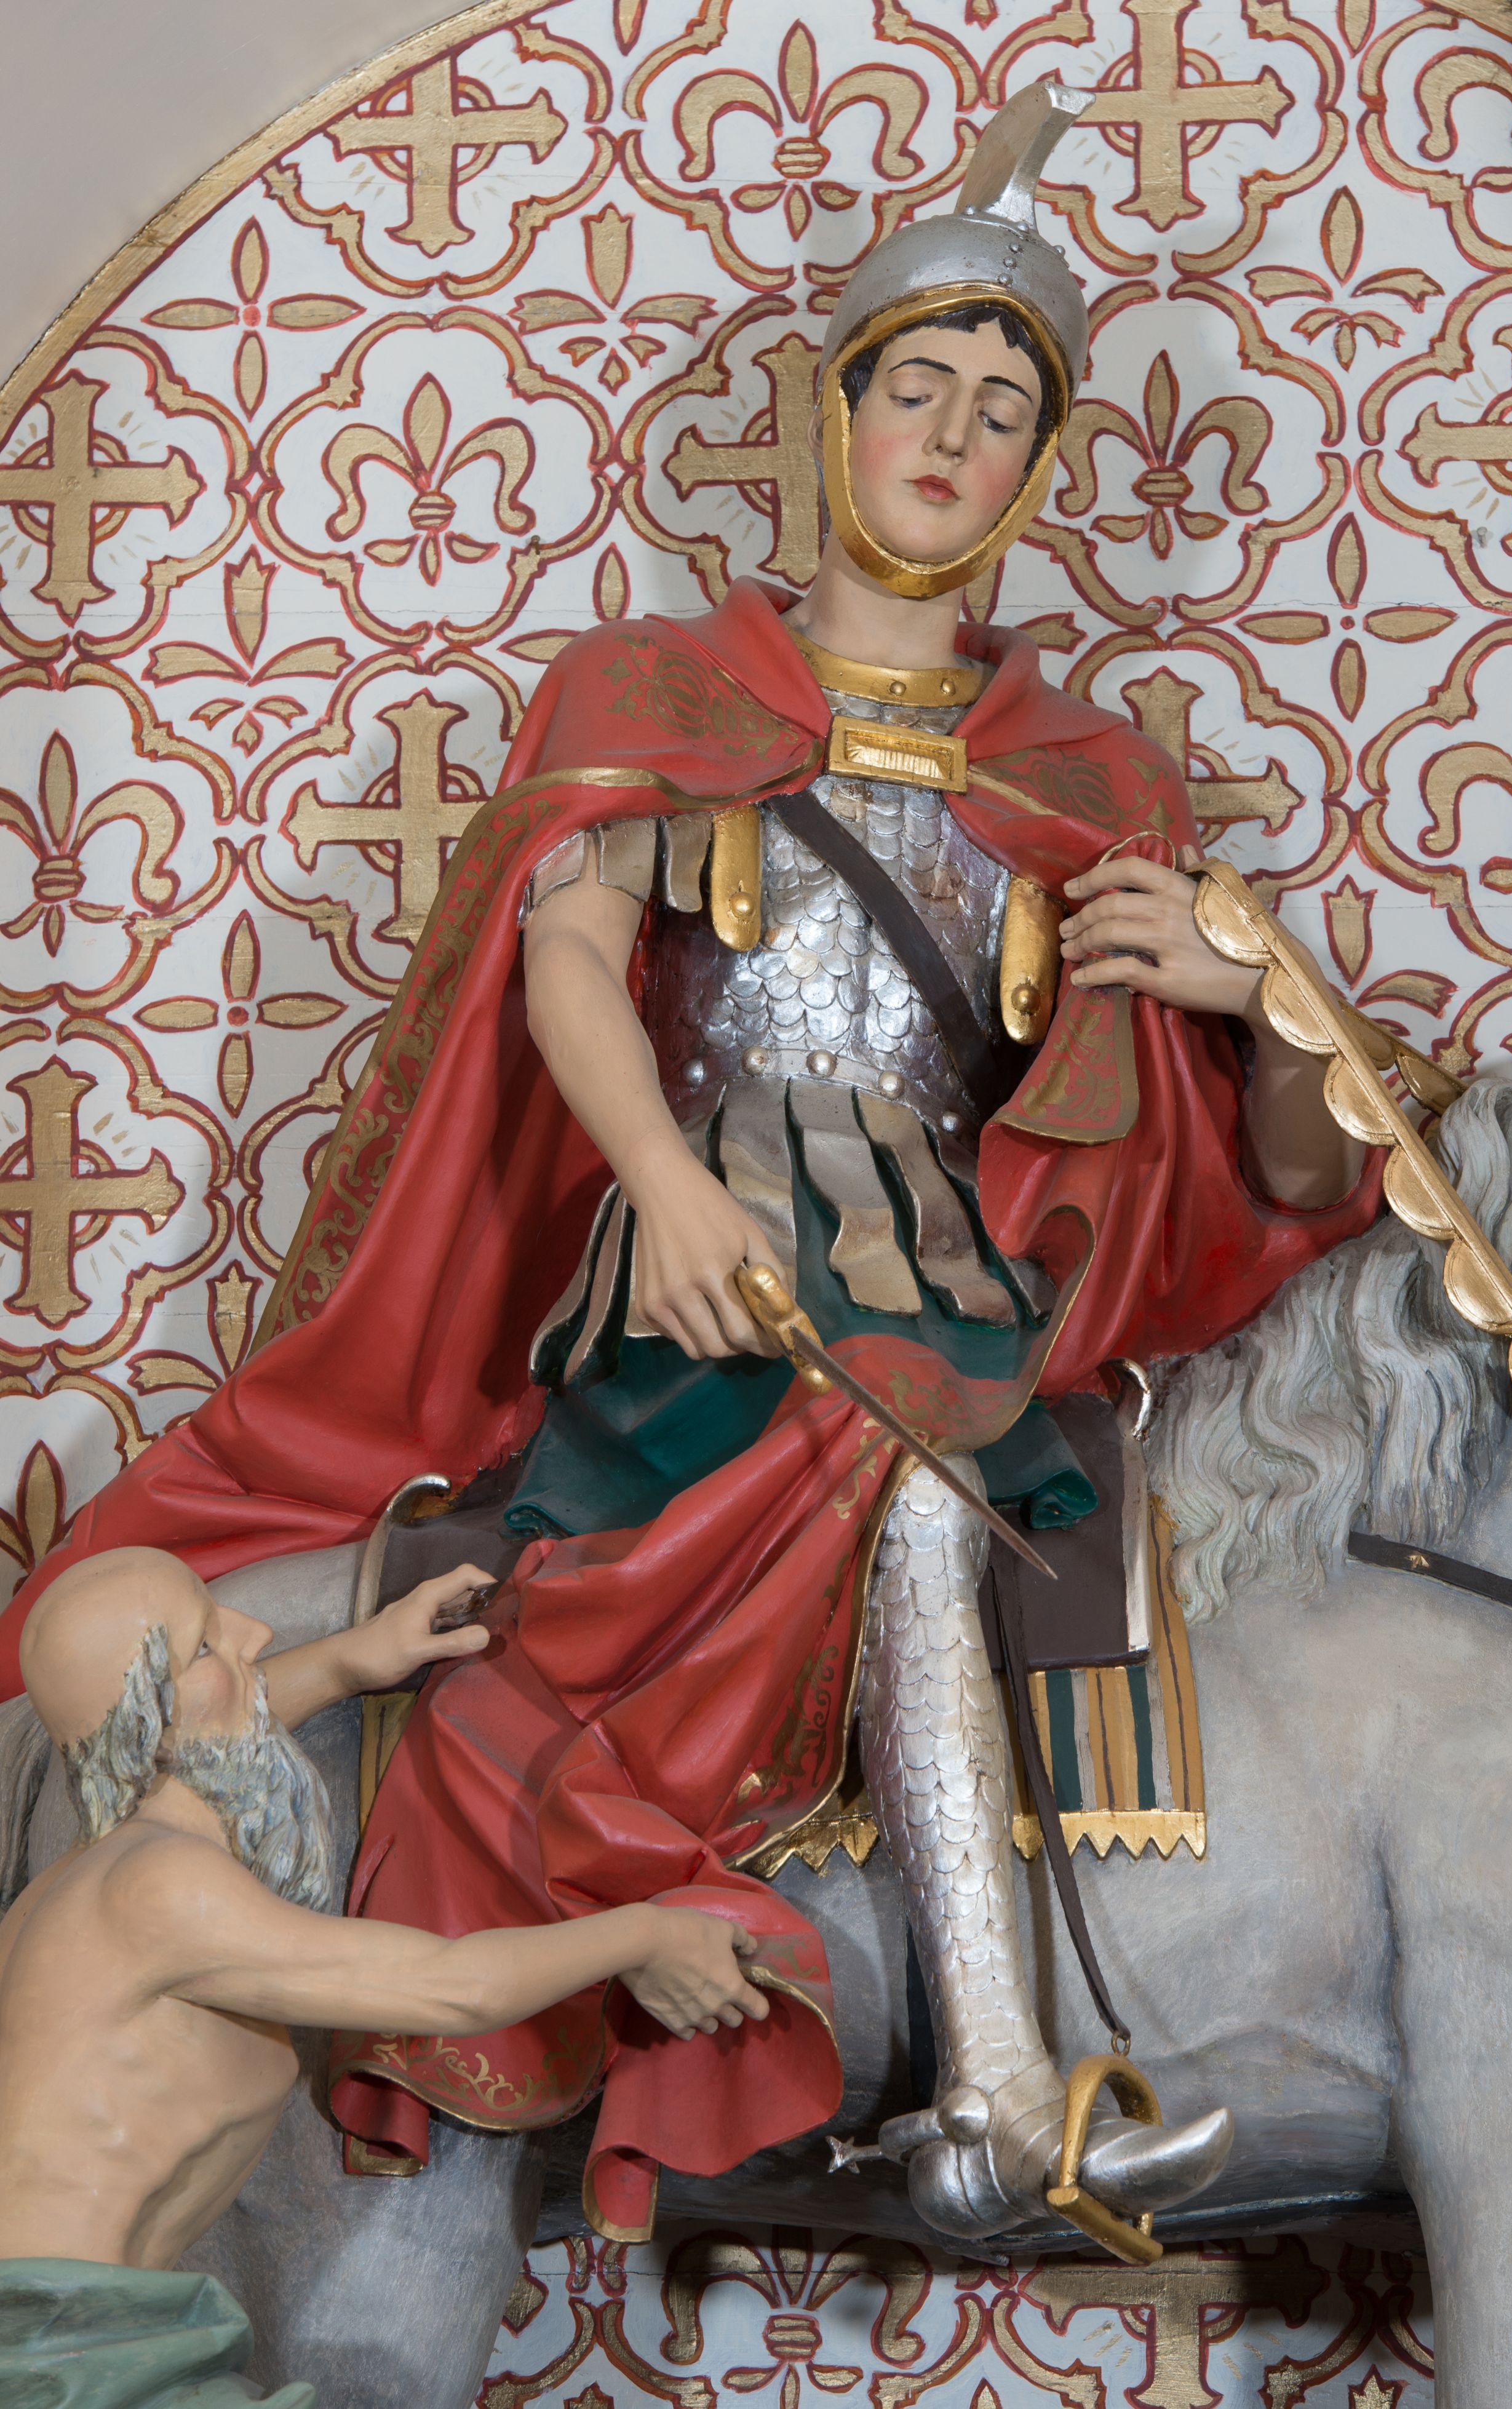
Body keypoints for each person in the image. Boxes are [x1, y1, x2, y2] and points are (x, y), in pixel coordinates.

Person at [0, 84, 1382, 2245]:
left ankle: (997, 2063)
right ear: (833, 414)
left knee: (958, 1463)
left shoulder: (1097, 773)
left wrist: (1260, 984)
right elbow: (562, 959)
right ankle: (995, 2092)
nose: (950, 436)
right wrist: (659, 1180)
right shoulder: (656, 685)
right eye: (914, 386)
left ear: (1043, 467)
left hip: (963, 1277)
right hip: (715, 1250)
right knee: (921, 1465)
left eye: (1002, 410)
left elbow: (1287, 1178)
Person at [0, 1545, 765, 2405]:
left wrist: (347, 1661)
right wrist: (646, 1934)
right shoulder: (161, 1890)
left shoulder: (75, 1879)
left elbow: (196, 1738)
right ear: (148, 1719)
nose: (253, 1635)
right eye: (207, 1643)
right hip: (64, 2368)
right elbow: (455, 1986)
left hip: (91, 2341)